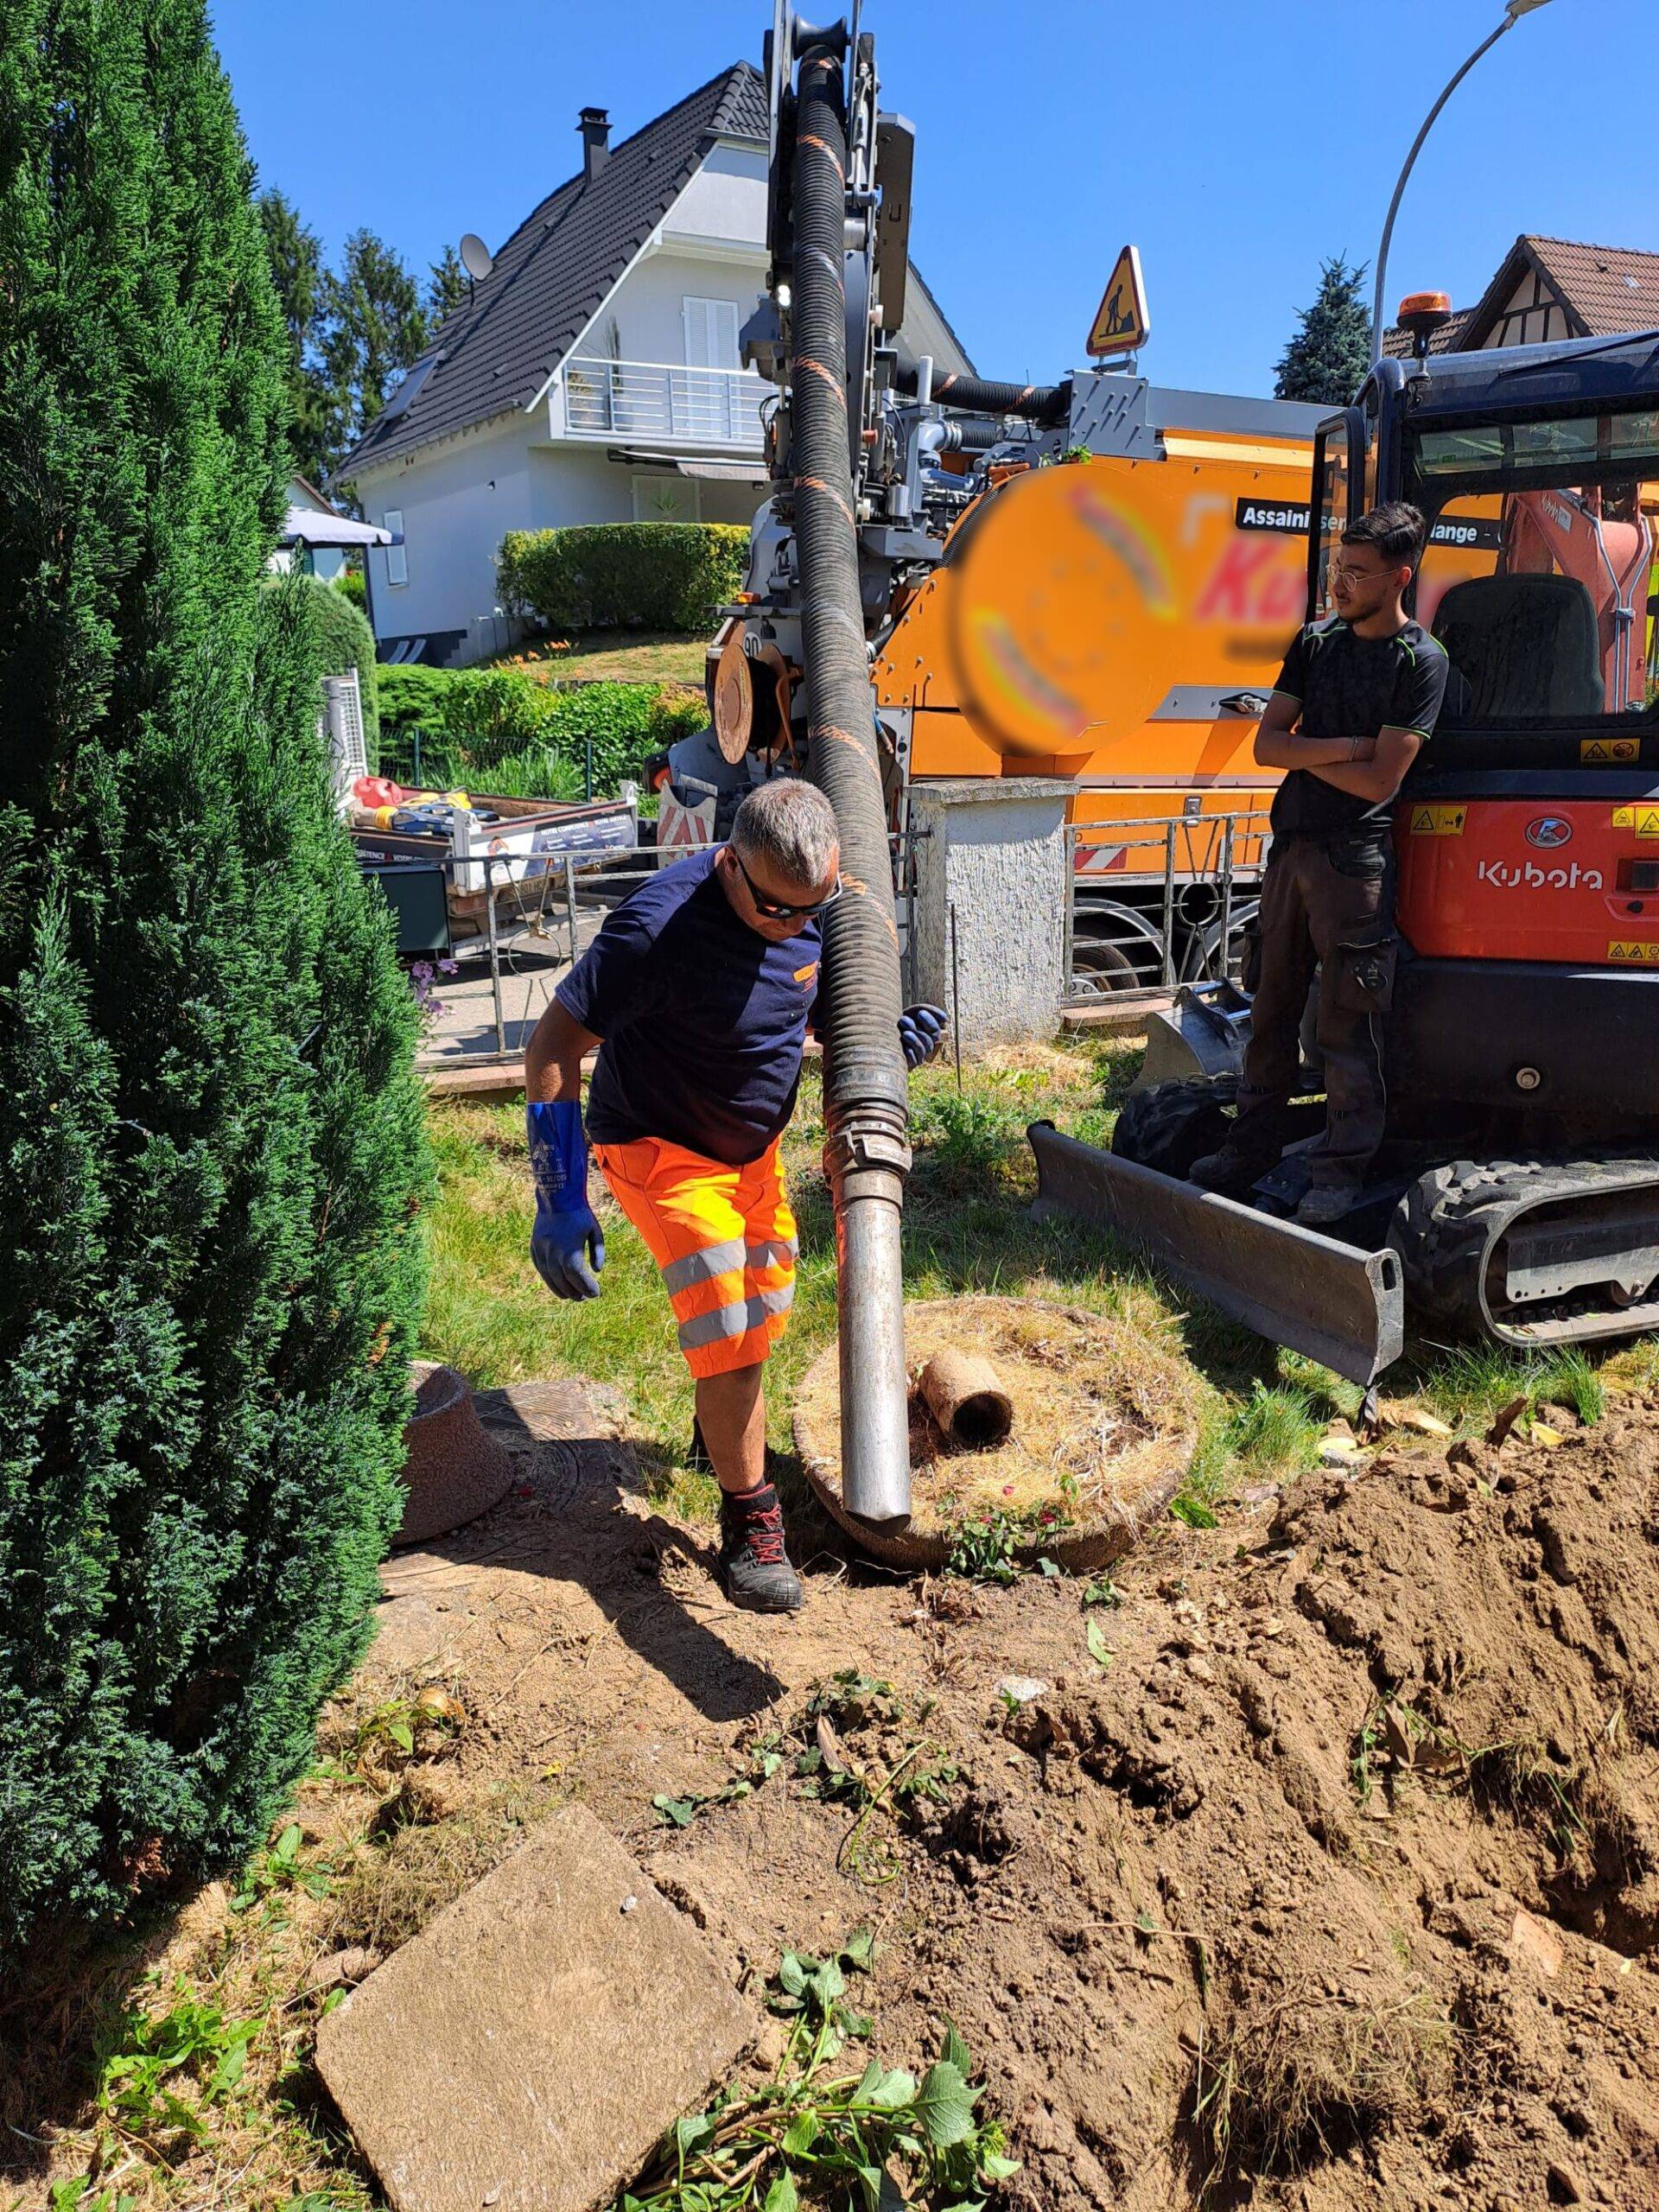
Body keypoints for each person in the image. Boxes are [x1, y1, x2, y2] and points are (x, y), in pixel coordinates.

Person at [523, 779, 945, 1614]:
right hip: (659, 1146)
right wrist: (558, 1193)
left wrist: (878, 1040)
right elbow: (551, 1043)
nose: (801, 926)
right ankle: (750, 1520)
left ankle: (717, 1427)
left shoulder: (803, 906)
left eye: (813, 907)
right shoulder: (656, 930)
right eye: (781, 911)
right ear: (732, 866)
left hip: (752, 1155)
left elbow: (806, 997)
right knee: (730, 1325)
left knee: (766, 1306)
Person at [1191, 503, 1449, 1224]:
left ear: (1400, 577)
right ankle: (1248, 1152)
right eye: (1337, 566)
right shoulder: (1314, 642)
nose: (1339, 582)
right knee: (1269, 1013)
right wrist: (1346, 745)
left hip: (1354, 865)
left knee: (1346, 1027)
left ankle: (1337, 1174)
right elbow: (1267, 748)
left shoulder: (1422, 663)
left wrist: (1323, 750)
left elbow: (1379, 785)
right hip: (1291, 854)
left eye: (1356, 573)